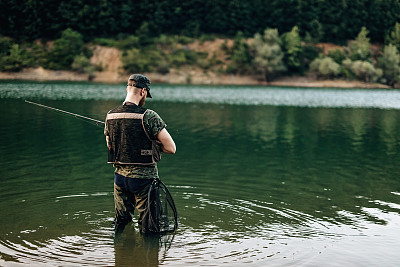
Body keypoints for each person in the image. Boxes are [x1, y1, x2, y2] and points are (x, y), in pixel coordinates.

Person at [104, 74, 176, 235]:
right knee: (149, 229)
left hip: (120, 180)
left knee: (121, 224)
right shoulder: (148, 116)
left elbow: (110, 145)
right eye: (146, 95)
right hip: (144, 182)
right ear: (143, 91)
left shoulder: (110, 115)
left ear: (127, 89)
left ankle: (122, 255)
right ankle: (147, 256)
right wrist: (154, 146)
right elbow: (171, 148)